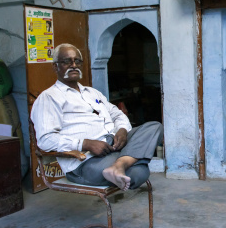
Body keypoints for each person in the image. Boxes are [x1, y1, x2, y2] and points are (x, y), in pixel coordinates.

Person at [31, 43, 163, 191]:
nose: (74, 65)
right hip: (85, 162)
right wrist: (85, 143)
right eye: (67, 61)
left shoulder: (92, 93)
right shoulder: (49, 97)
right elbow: (45, 140)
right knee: (140, 172)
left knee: (154, 126)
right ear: (55, 67)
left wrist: (122, 130)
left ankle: (119, 165)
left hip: (113, 148)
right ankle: (123, 164)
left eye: (77, 61)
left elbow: (117, 113)